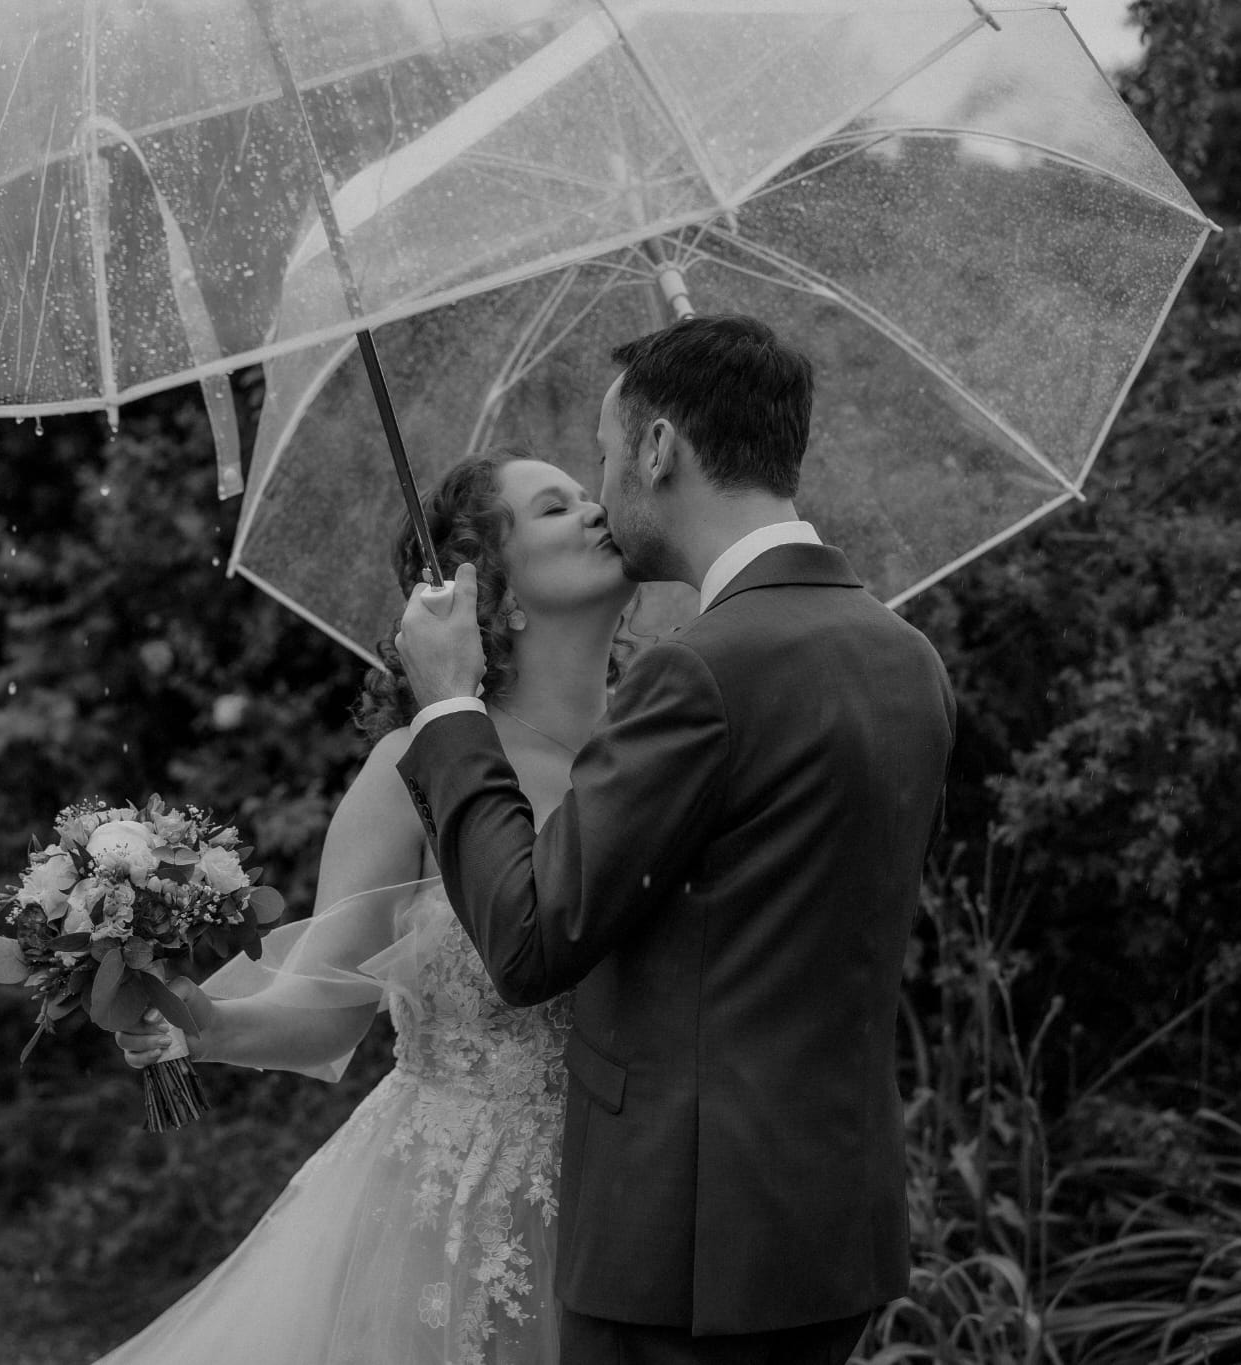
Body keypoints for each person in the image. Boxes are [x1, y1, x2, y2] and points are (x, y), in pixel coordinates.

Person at [393, 314, 957, 1365]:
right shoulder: (902, 655)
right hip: (830, 1236)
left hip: (681, 1255)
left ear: (658, 450)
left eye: (605, 455)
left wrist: (445, 710)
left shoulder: (698, 671)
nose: (604, 490)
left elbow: (527, 939)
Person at [92, 447, 637, 1365]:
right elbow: (325, 1006)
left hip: (631, 1205)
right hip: (451, 1221)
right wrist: (200, 1022)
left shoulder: (665, 742)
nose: (598, 509)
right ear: (491, 593)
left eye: (591, 494)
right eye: (557, 507)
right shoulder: (413, 768)